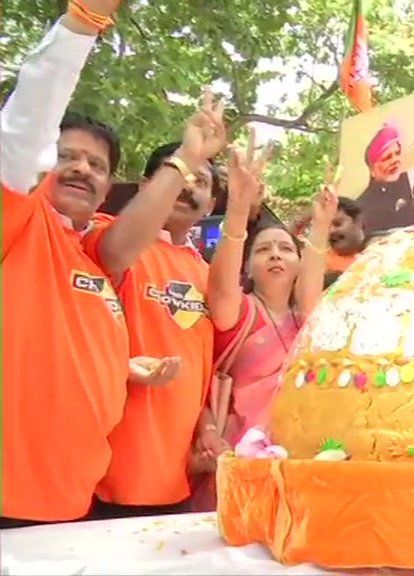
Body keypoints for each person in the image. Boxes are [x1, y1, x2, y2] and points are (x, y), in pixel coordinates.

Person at [0, 0, 130, 526]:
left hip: (74, 505)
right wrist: (82, 25)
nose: (81, 168)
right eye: (66, 155)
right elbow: (21, 135)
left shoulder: (96, 249)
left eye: (97, 165)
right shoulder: (19, 221)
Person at [81, 94, 230, 518]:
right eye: (179, 175)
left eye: (202, 183)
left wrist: (207, 428)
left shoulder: (203, 272)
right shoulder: (109, 237)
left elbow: (197, 365)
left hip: (175, 479)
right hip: (105, 480)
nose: (188, 186)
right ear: (149, 185)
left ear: (211, 207)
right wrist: (188, 154)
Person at [207, 160, 338, 448]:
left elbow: (310, 294)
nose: (276, 255)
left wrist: (321, 223)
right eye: (264, 250)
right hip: (241, 455)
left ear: (299, 264)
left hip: (300, 451)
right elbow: (222, 285)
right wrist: (239, 209)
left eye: (286, 249)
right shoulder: (240, 312)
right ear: (247, 268)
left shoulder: (306, 319)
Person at [356, 122, 414, 233]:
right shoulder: (359, 207)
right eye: (387, 157)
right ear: (372, 170)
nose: (395, 160)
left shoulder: (409, 180)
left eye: (397, 153)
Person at [327, 196, 366, 274]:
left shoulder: (383, 249)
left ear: (358, 221)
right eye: (325, 227)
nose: (331, 231)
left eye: (337, 224)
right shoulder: (320, 267)